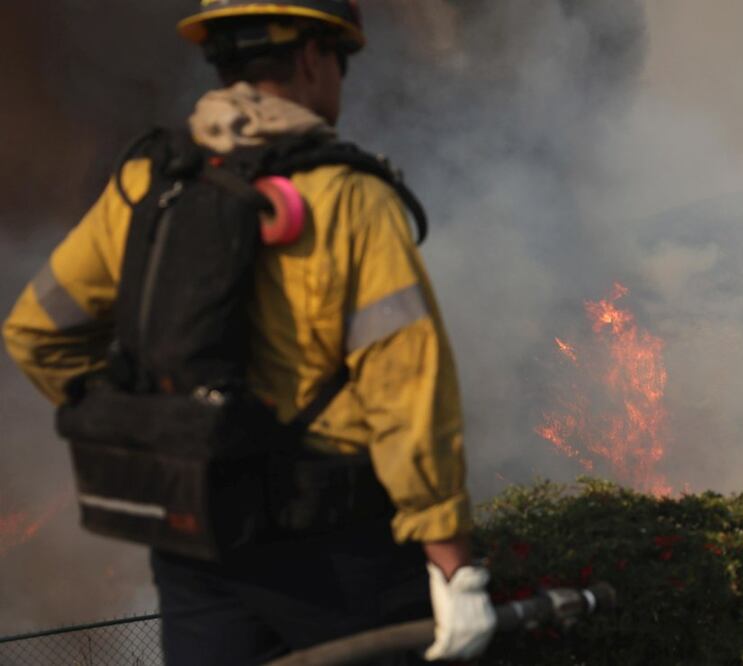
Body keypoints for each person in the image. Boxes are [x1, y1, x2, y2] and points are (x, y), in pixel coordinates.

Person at [2, 1, 495, 664]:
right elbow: (406, 391)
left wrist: (146, 420)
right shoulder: (349, 198)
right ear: (314, 57)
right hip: (333, 548)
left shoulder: (149, 181)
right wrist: (452, 564)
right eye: (341, 64)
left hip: (194, 534)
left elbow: (36, 331)